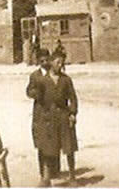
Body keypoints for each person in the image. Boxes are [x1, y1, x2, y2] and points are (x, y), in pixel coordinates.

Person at [33, 50, 78, 187]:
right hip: (48, 119)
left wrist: (72, 113)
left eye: (62, 62)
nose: (60, 65)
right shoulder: (43, 81)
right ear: (51, 62)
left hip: (64, 117)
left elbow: (73, 98)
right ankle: (46, 178)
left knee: (69, 148)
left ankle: (72, 176)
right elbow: (38, 101)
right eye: (58, 62)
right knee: (48, 148)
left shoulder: (66, 80)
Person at [26, 48, 51, 184]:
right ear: (38, 61)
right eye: (42, 60)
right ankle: (43, 173)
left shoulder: (54, 73)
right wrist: (35, 93)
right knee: (41, 142)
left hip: (52, 112)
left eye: (47, 59)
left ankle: (53, 170)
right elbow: (28, 91)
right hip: (40, 112)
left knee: (53, 141)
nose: (45, 62)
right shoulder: (34, 76)